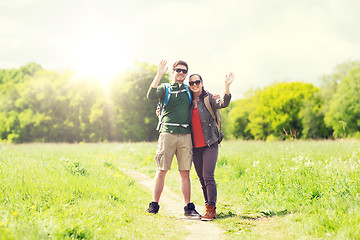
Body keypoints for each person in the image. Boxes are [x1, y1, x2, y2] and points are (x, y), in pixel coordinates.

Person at [146, 60, 201, 218]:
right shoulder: (165, 88)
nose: (181, 73)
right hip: (167, 133)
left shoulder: (189, 89)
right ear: (173, 71)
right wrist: (159, 74)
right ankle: (154, 205)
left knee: (185, 172)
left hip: (185, 134)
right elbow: (150, 95)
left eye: (184, 71)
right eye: (178, 70)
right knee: (162, 170)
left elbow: (202, 94)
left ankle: (188, 207)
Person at [189, 72, 234, 220]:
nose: (194, 85)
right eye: (192, 83)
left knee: (208, 176)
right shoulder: (187, 101)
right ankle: (207, 207)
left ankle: (211, 209)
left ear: (202, 83)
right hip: (195, 146)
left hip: (210, 143)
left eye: (197, 82)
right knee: (201, 179)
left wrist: (226, 87)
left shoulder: (209, 98)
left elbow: (224, 104)